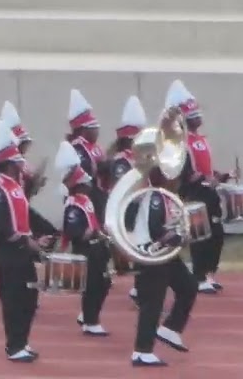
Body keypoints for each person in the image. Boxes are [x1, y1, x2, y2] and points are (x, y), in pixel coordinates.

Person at [126, 120, 197, 368]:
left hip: (164, 255)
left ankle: (170, 328)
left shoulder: (167, 197)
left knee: (187, 287)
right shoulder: (156, 196)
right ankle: (141, 351)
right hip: (151, 255)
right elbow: (157, 231)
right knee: (152, 302)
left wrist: (179, 235)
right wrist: (178, 238)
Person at [0, 118, 50, 363]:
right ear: (9, 164)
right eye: (17, 162)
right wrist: (27, 242)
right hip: (9, 254)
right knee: (14, 300)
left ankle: (21, 342)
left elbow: (22, 220)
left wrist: (33, 239)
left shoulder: (13, 187)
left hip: (21, 251)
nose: (22, 165)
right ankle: (14, 346)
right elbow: (1, 227)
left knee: (29, 299)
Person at [166, 79, 231, 293]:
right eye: (192, 114)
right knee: (200, 236)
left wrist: (220, 176)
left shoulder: (199, 139)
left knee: (216, 234)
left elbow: (205, 170)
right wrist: (201, 179)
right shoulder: (180, 142)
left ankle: (209, 272)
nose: (198, 117)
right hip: (193, 193)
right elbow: (183, 172)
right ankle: (199, 275)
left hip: (208, 192)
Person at [56, 141, 111, 337]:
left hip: (96, 247)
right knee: (94, 284)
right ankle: (90, 319)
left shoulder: (85, 200)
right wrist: (89, 232)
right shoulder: (73, 204)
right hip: (85, 250)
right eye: (85, 183)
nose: (89, 186)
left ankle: (89, 316)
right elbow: (73, 230)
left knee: (103, 283)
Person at [2, 102, 59, 239]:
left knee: (50, 232)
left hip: (23, 207)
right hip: (13, 211)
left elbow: (27, 191)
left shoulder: (23, 164)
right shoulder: (12, 165)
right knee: (41, 233)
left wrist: (37, 184)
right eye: (24, 143)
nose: (26, 146)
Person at [113, 96, 147, 302]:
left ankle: (140, 288)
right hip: (129, 209)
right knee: (138, 249)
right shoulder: (122, 161)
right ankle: (139, 290)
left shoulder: (138, 158)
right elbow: (123, 187)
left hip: (140, 208)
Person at [67, 90, 108, 220]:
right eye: (94, 127)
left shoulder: (94, 146)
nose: (97, 131)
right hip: (87, 198)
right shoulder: (77, 148)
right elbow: (85, 172)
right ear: (84, 130)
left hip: (99, 195)